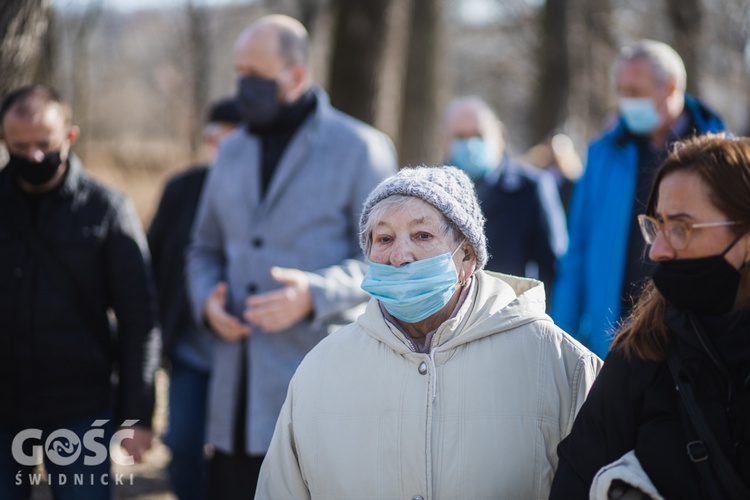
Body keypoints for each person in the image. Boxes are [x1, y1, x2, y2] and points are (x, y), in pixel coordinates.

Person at [255, 166, 602, 499]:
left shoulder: (560, 366)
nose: (400, 256)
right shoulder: (320, 370)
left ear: (466, 256)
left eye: (422, 235)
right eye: (385, 238)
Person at [185, 14, 397, 498]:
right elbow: (203, 248)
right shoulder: (230, 151)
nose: (242, 87)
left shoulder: (361, 147)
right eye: (238, 73)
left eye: (254, 76)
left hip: (317, 386)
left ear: (296, 75)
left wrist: (313, 294)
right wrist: (206, 302)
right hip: (232, 397)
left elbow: (385, 261)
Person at [550, 134, 750, 499]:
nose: (657, 250)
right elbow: (574, 481)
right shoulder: (642, 350)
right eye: (656, 226)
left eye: (681, 228)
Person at [0, 85, 160, 499]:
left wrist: (137, 416)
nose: (33, 156)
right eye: (20, 145)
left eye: (44, 144)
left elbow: (139, 319)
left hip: (80, 406)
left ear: (69, 137)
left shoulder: (107, 209)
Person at [552, 40, 727, 358]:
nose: (625, 102)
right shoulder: (603, 153)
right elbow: (577, 249)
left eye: (635, 92)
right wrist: (561, 335)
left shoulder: (720, 154)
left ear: (670, 88)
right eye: (621, 91)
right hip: (614, 335)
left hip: (694, 336)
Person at [147, 97, 241, 500]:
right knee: (183, 443)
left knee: (235, 454)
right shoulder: (181, 189)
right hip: (191, 348)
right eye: (226, 140)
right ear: (209, 139)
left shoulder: (273, 196)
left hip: (249, 349)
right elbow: (154, 260)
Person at [440, 96, 568, 304]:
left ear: (499, 135)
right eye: (461, 137)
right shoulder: (430, 192)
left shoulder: (532, 188)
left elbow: (555, 267)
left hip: (512, 314)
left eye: (479, 135)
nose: (470, 144)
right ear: (445, 140)